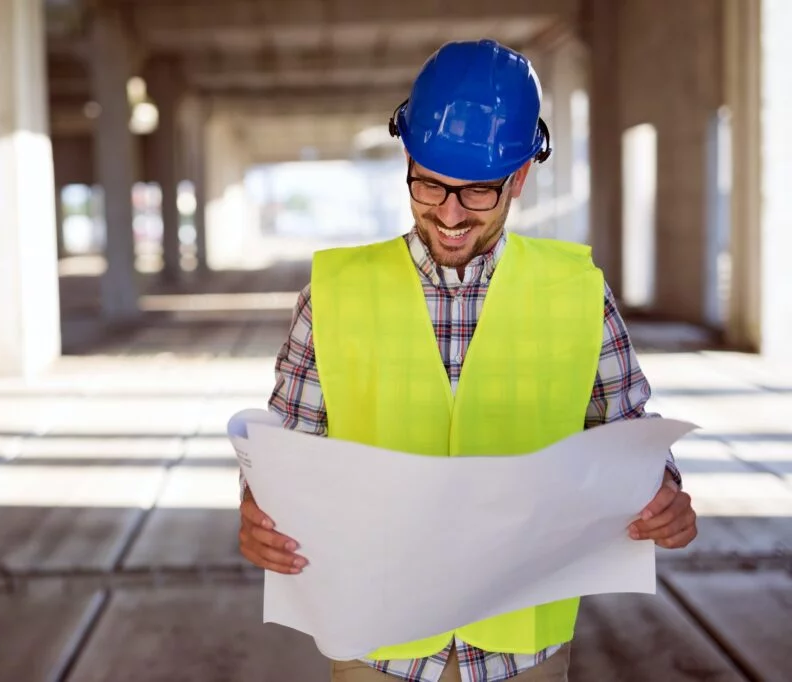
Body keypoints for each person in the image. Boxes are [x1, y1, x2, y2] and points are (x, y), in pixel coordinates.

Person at [238, 39, 698, 682]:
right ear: (407, 157)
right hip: (376, 640)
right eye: (428, 185)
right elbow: (290, 445)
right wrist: (259, 505)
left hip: (521, 648)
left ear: (519, 178)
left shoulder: (577, 293)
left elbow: (630, 434)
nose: (449, 215)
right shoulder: (334, 293)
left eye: (477, 192)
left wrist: (666, 494)